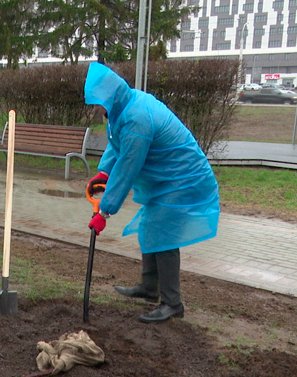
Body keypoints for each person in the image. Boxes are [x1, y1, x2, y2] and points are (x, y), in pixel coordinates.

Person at [83, 62, 220, 323]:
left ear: (110, 96)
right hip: (167, 178)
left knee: (164, 233)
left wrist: (105, 210)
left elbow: (128, 167)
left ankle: (172, 304)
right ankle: (149, 288)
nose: (95, 109)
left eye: (97, 103)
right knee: (150, 226)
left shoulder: (137, 118)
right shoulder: (122, 109)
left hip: (183, 177)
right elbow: (117, 146)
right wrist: (103, 173)